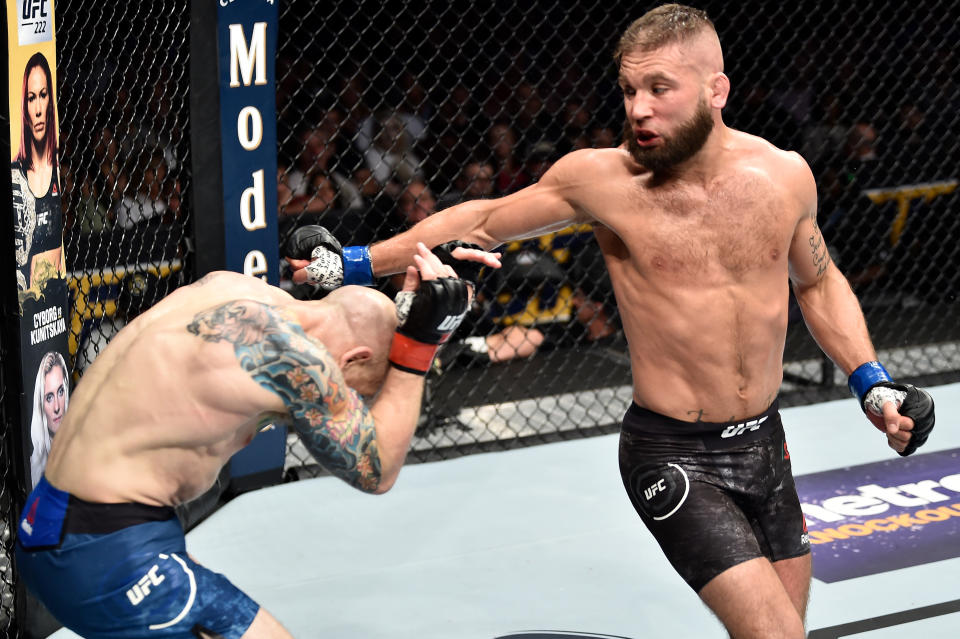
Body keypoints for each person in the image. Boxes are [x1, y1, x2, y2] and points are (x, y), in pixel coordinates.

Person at [286, 5, 936, 638]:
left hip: (765, 442)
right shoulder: (602, 181)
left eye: (659, 88)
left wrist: (870, 381)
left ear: (717, 91)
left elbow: (818, 280)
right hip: (673, 454)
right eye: (628, 90)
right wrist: (349, 262)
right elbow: (476, 219)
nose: (637, 108)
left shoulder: (785, 176)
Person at [16, 242, 472, 639]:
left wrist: (415, 294)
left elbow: (363, 305)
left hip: (57, 520)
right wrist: (418, 351)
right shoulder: (296, 360)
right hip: (104, 551)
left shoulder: (234, 288)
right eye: (356, 392)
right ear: (353, 358)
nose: (346, 403)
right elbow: (377, 469)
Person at [11, 52, 63, 297]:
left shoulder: (58, 171)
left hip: (54, 306)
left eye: (43, 95)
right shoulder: (14, 177)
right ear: (24, 106)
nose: (39, 108)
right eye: (32, 98)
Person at [29, 352, 70, 489]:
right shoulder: (35, 473)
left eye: (60, 392)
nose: (57, 407)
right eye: (49, 398)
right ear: (40, 405)